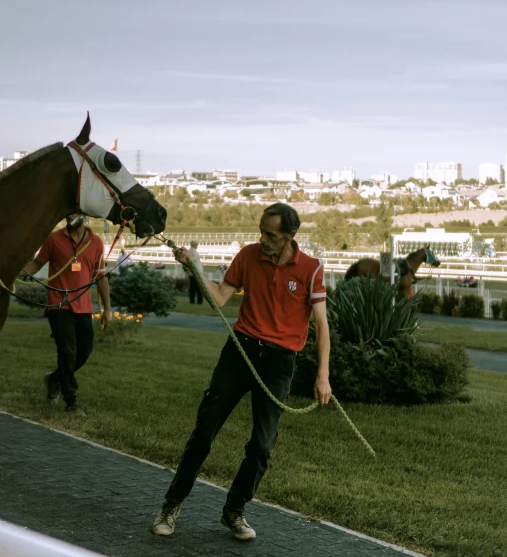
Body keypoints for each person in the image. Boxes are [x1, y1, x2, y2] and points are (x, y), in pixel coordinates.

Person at [152, 203, 331, 541]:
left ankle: (234, 510)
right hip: (241, 351)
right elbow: (219, 298)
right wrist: (193, 267)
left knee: (262, 445)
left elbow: (321, 325)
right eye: (261, 231)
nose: (263, 239)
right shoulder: (248, 256)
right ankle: (171, 504)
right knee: (204, 430)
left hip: (279, 363)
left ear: (291, 236)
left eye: (271, 235)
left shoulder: (310, 269)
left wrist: (323, 374)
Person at [23, 214, 111, 414]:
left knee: (85, 351)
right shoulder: (53, 239)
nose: (71, 216)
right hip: (59, 306)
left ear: (84, 216)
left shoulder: (96, 242)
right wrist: (10, 271)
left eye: (75, 212)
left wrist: (107, 309)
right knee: (67, 353)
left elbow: (101, 276)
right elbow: (36, 265)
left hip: (84, 307)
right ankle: (71, 401)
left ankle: (54, 379)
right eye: (68, 213)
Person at [187, 240, 204, 305]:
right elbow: (193, 260)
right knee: (199, 288)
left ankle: (192, 301)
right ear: (195, 245)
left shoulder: (189, 251)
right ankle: (199, 301)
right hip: (196, 272)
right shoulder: (193, 252)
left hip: (191, 272)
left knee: (192, 288)